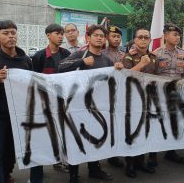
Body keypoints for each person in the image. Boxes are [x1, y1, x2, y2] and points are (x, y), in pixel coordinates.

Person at [58, 24, 114, 183]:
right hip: (78, 106)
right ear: (88, 38)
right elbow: (60, 67)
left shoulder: (107, 59)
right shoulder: (79, 54)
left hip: (98, 107)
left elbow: (113, 81)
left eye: (102, 36)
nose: (99, 38)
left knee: (96, 138)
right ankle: (73, 175)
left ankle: (94, 169)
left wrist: (118, 68)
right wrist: (81, 63)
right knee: (76, 139)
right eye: (96, 35)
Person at [0, 20, 32, 183]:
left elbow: (31, 86)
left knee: (13, 154)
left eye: (13, 32)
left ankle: (6, 176)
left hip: (20, 116)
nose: (10, 36)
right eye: (6, 33)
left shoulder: (26, 60)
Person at [29, 23, 71, 182]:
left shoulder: (66, 54)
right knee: (39, 139)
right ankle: (36, 175)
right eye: (57, 33)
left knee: (60, 136)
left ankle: (59, 162)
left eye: (62, 33)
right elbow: (33, 79)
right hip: (43, 105)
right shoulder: (39, 56)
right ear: (48, 35)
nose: (61, 36)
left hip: (61, 104)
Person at [149, 23, 184, 166]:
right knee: (157, 123)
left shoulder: (183, 54)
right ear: (165, 36)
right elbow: (150, 76)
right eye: (174, 34)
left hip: (175, 96)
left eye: (179, 35)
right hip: (159, 95)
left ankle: (171, 152)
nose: (177, 37)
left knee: (174, 123)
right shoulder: (156, 54)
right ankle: (152, 154)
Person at [122, 28, 158, 178]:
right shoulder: (128, 57)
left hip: (149, 99)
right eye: (140, 37)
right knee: (132, 133)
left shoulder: (154, 57)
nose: (143, 40)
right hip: (132, 101)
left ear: (150, 40)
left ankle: (140, 162)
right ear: (135, 40)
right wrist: (142, 63)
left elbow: (157, 78)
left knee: (145, 132)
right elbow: (125, 76)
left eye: (146, 37)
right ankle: (129, 164)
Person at [102, 25, 125, 168]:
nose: (116, 39)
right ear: (107, 38)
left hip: (121, 94)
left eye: (118, 37)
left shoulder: (125, 54)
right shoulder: (102, 53)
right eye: (113, 36)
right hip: (104, 94)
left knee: (117, 126)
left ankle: (114, 154)